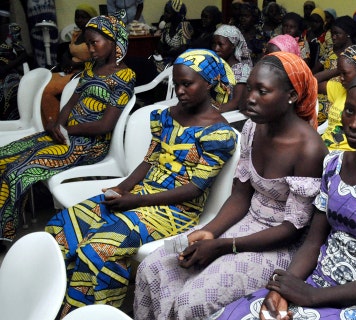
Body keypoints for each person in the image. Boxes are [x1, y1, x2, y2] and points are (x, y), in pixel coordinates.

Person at [212, 67, 356, 320]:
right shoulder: (334, 164)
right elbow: (313, 242)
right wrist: (283, 289)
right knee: (231, 316)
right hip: (315, 284)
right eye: (350, 110)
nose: (353, 123)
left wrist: (312, 297)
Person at [134, 52, 328, 320]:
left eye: (263, 91)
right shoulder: (252, 128)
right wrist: (208, 233)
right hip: (245, 224)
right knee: (154, 267)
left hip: (279, 245)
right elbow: (240, 196)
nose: (250, 98)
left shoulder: (309, 150)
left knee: (192, 301)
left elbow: (291, 230)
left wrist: (225, 246)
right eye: (249, 88)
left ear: (291, 96)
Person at [45, 48, 236, 317]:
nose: (179, 90)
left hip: (176, 211)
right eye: (177, 83)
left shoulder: (219, 133)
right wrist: (123, 188)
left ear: (209, 83)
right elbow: (149, 160)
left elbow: (194, 189)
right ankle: (57, 303)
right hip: (140, 194)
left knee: (98, 248)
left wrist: (135, 200)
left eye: (187, 84)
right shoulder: (166, 116)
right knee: (61, 227)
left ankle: (92, 312)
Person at [0, 13, 136, 242]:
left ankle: (6, 233)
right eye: (88, 43)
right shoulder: (92, 68)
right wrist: (57, 124)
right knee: (4, 155)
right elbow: (72, 102)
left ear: (113, 41)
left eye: (95, 43)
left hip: (90, 145)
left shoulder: (124, 77)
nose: (91, 49)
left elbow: (105, 125)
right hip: (67, 135)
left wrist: (67, 130)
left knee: (18, 170)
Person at [41, 4, 98, 124]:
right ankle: (43, 123)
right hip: (70, 71)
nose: (79, 20)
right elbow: (68, 51)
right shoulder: (77, 34)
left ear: (92, 18)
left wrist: (76, 65)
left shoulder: (97, 36)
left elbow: (99, 60)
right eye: (77, 17)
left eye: (83, 17)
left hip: (85, 74)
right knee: (41, 83)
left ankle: (56, 126)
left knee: (47, 90)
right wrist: (66, 62)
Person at [316, 45, 356, 151]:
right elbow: (311, 82)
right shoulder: (341, 89)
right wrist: (338, 69)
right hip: (324, 149)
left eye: (345, 73)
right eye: (340, 73)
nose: (341, 78)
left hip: (346, 156)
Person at [212, 24, 252, 112]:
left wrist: (209, 112)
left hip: (231, 117)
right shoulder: (215, 66)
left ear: (233, 46)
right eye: (214, 44)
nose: (215, 48)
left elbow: (235, 103)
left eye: (220, 44)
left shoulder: (242, 71)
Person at [0, 14, 27, 120]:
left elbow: (23, 54)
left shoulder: (11, 30)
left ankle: (12, 121)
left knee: (11, 87)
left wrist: (6, 68)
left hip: (8, 68)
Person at [155, 0, 193, 72]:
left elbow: (183, 49)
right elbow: (160, 44)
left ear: (177, 14)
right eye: (165, 11)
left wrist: (166, 53)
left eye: (168, 12)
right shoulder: (168, 25)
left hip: (180, 61)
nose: (165, 14)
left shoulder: (184, 26)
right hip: (167, 58)